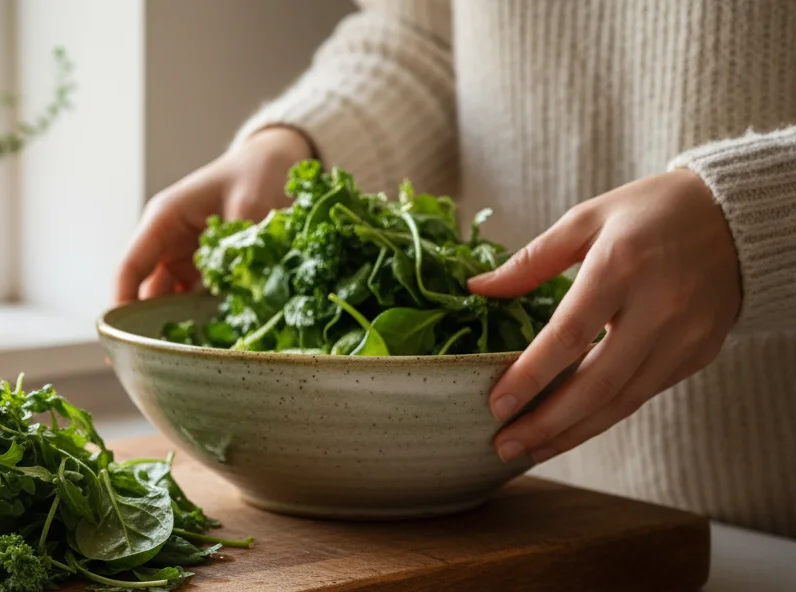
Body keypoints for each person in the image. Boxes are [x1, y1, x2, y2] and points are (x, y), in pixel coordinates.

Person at [117, 1, 796, 537]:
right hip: (533, 517)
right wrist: (301, 147)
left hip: (771, 532)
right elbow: (428, 38)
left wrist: (753, 220)